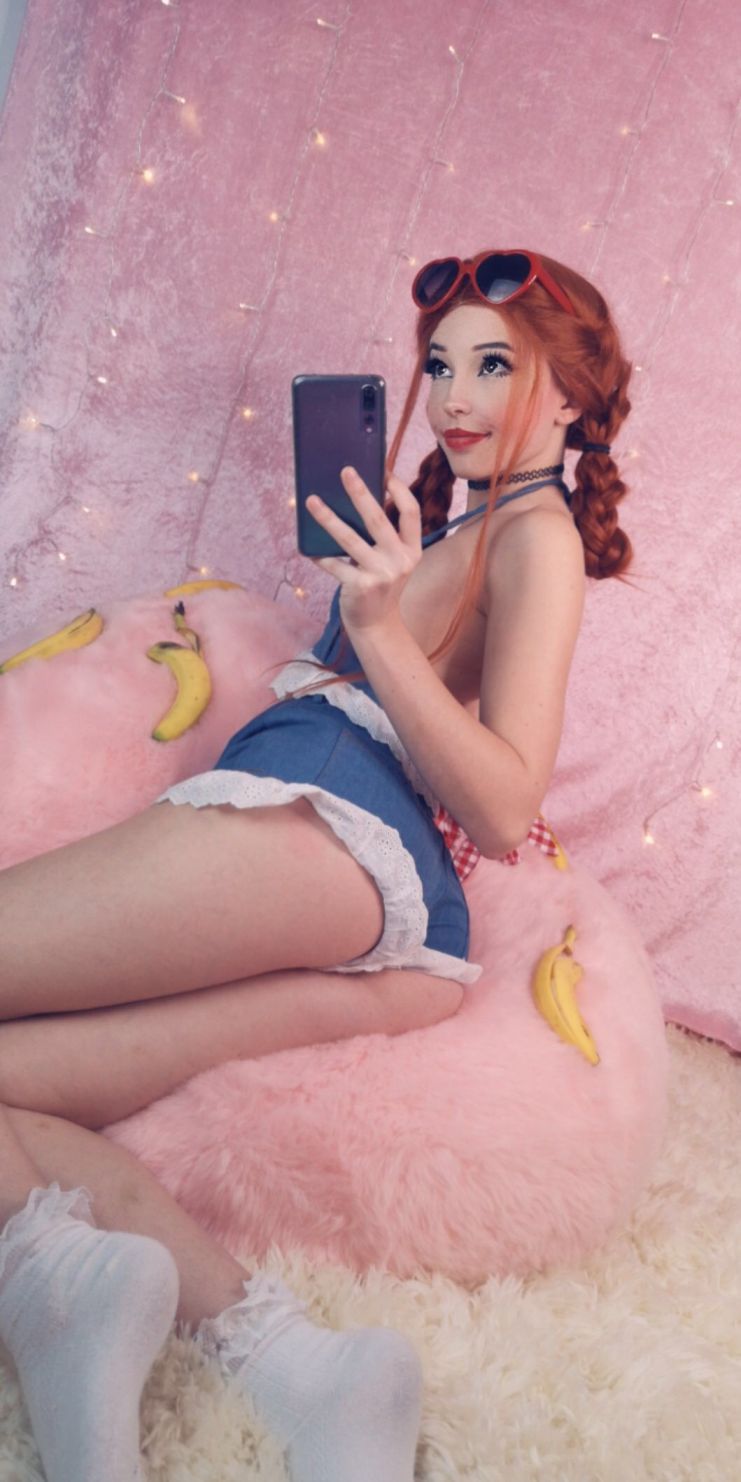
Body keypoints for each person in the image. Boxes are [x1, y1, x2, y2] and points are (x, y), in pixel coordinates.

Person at [0, 249, 635, 1481]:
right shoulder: (471, 521)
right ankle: (294, 1367)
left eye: (493, 367)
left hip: (331, 815)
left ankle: (59, 1298)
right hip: (372, 892)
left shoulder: (538, 537)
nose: (453, 397)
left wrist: (380, 631)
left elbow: (508, 803)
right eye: (439, 366)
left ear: (568, 395)